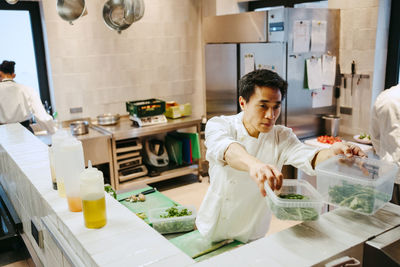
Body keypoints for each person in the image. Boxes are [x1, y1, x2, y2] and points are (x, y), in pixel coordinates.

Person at [196, 69, 366, 243]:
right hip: (215, 226)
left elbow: (310, 158)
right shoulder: (219, 125)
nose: (271, 115)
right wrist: (255, 165)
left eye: (276, 106)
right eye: (263, 106)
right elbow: (228, 150)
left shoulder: (281, 136)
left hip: (252, 231)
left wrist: (333, 153)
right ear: (243, 103)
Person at [0, 60, 55, 134]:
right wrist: (52, 132)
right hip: (25, 133)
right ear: (13, 75)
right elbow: (42, 117)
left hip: (3, 135)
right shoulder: (27, 89)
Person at [370, 84, 400, 205]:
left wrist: (385, 155)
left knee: (389, 220)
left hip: (389, 175)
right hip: (391, 175)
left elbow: (375, 137)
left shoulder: (385, 97)